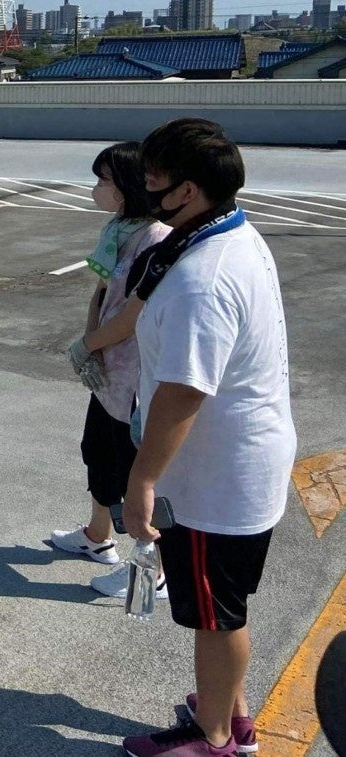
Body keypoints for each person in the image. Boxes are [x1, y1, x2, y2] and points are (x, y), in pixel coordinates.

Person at [119, 117, 291, 757]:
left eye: (153, 180)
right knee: (224, 606)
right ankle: (230, 712)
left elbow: (185, 389)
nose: (144, 189)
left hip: (215, 477)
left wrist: (142, 479)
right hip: (240, 458)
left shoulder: (204, 276)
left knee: (217, 617)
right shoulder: (231, 234)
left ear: (187, 191)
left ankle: (215, 737)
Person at [47, 141, 173, 601]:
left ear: (128, 187)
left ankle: (153, 568)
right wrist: (90, 341)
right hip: (109, 373)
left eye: (104, 179)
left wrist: (89, 345)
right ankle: (98, 537)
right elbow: (102, 293)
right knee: (98, 453)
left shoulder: (155, 239)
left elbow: (134, 316)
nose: (96, 188)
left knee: (136, 471)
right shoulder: (119, 229)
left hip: (135, 377)